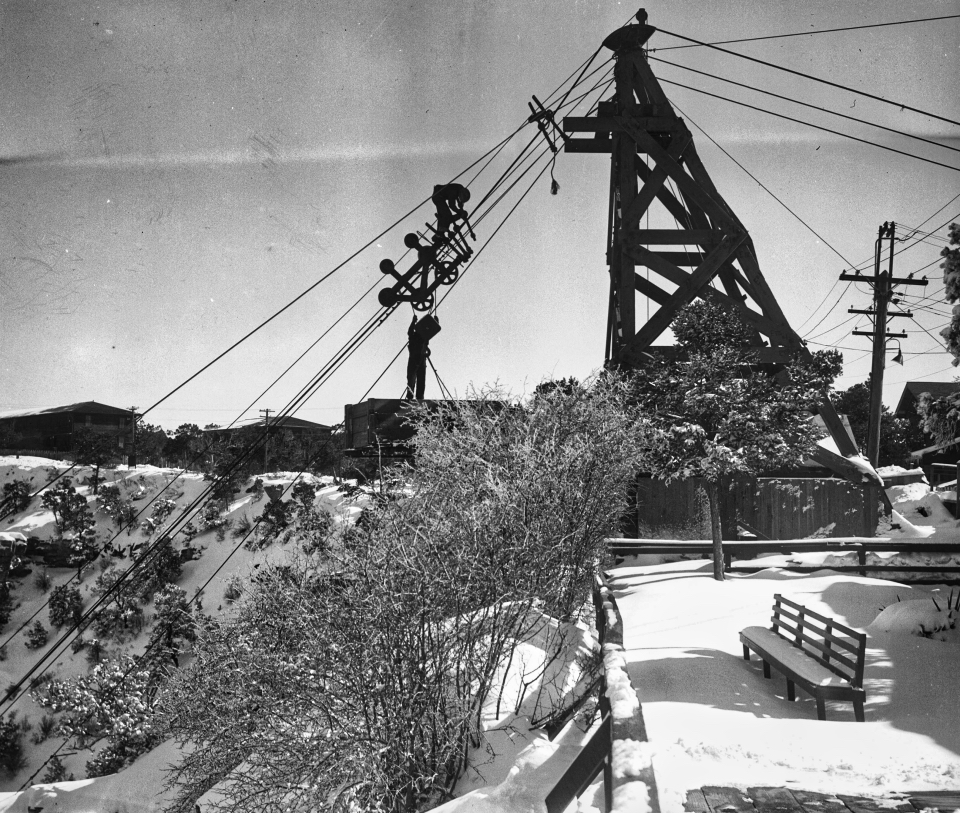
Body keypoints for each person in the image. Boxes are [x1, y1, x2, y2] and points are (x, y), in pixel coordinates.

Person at [405, 316, 431, 400]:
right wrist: (413, 322)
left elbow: (430, 332)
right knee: (416, 379)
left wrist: (413, 322)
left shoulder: (421, 337)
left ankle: (415, 396)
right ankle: (414, 396)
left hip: (417, 360)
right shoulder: (420, 336)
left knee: (416, 379)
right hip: (417, 360)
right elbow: (410, 332)